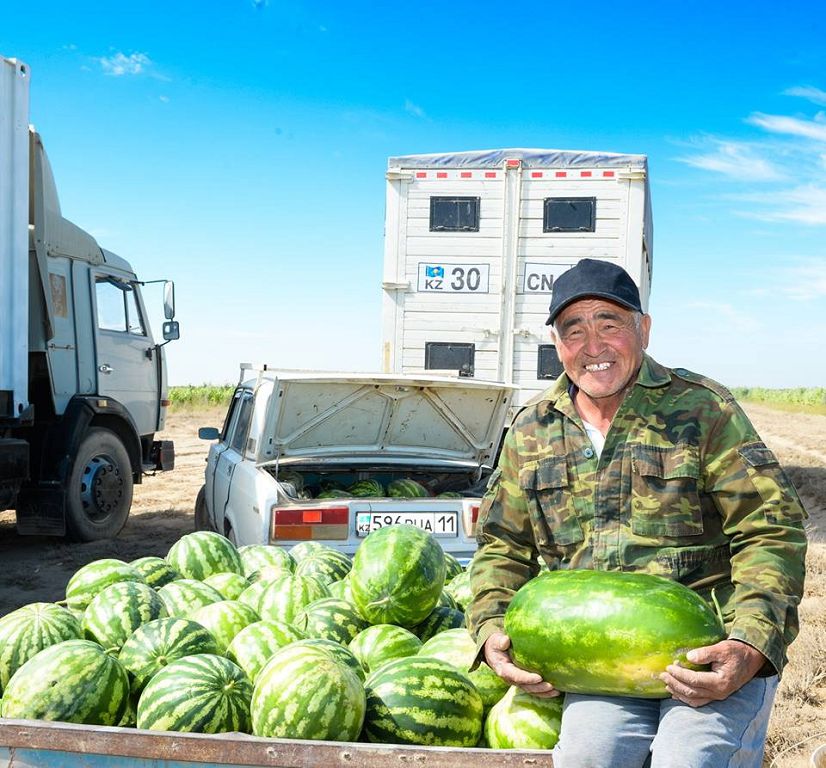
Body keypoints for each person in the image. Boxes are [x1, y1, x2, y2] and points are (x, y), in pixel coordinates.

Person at [467, 258, 807, 768]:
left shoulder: (703, 410)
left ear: (643, 330)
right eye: (573, 330)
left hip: (710, 648)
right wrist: (491, 627)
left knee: (688, 760)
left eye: (610, 323)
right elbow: (501, 546)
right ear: (557, 344)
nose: (593, 346)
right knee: (587, 758)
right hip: (600, 659)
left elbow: (770, 529)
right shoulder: (532, 429)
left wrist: (750, 642)